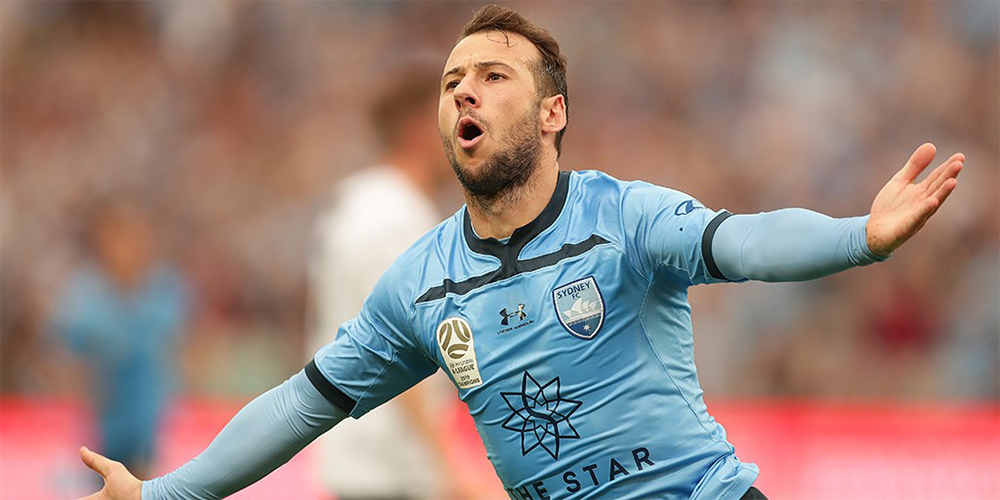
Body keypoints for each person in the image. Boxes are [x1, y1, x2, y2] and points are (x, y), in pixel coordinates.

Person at [78, 5, 964, 500]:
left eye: (493, 75)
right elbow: (303, 402)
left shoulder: (622, 216)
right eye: (451, 82)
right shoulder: (420, 283)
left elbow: (745, 240)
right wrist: (168, 496)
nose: (464, 90)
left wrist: (858, 238)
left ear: (551, 113)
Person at [305, 60, 487, 500]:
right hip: (388, 466)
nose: (468, 133)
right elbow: (398, 344)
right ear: (420, 128)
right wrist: (448, 465)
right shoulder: (396, 216)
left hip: (356, 451)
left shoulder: (356, 201)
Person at [53, 199, 190, 480]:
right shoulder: (85, 294)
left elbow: (180, 348)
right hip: (100, 421)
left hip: (149, 420)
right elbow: (64, 355)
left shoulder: (164, 290)